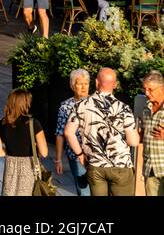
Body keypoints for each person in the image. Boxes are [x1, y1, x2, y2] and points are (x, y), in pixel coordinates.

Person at [64, 67, 140, 196]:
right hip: (120, 166)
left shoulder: (80, 106)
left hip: (95, 165)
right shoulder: (123, 108)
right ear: (115, 85)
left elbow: (68, 132)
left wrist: (80, 154)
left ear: (96, 82)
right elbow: (133, 142)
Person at [0, 89, 48, 196]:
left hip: (10, 167)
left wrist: (10, 149)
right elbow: (44, 152)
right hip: (29, 167)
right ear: (26, 103)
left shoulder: (1, 124)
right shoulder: (33, 123)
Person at [54, 68, 93, 196]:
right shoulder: (66, 106)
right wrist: (58, 159)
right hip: (76, 156)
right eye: (79, 83)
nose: (83, 87)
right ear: (72, 85)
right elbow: (60, 133)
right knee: (84, 191)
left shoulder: (95, 103)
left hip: (96, 155)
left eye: (86, 83)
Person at [138, 70, 164, 197]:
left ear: (162, 89)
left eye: (150, 89)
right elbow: (141, 135)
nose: (146, 93)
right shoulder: (145, 109)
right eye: (145, 89)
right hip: (150, 168)